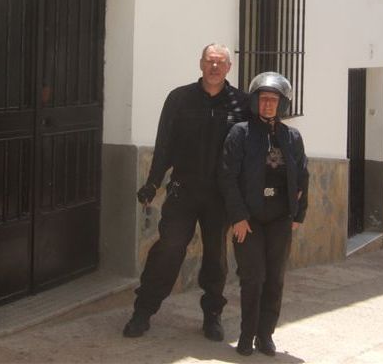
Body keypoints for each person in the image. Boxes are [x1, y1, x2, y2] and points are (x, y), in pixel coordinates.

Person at [123, 43, 249, 341]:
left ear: (229, 67)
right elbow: (164, 144)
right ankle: (143, 312)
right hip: (184, 191)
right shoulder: (179, 98)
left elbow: (248, 152)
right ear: (201, 64)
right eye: (209, 61)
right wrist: (153, 183)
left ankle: (212, 316)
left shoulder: (241, 103)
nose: (214, 67)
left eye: (220, 62)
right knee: (169, 248)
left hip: (220, 196)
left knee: (216, 257)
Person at [218, 72, 309, 357]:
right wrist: (238, 217)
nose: (268, 104)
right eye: (263, 99)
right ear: (255, 101)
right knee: (253, 277)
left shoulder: (292, 137)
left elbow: (303, 176)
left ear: (282, 104)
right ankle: (247, 335)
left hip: (280, 218)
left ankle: (265, 335)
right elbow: (227, 177)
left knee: (275, 279)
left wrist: (297, 215)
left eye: (273, 99)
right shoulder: (240, 133)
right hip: (249, 220)